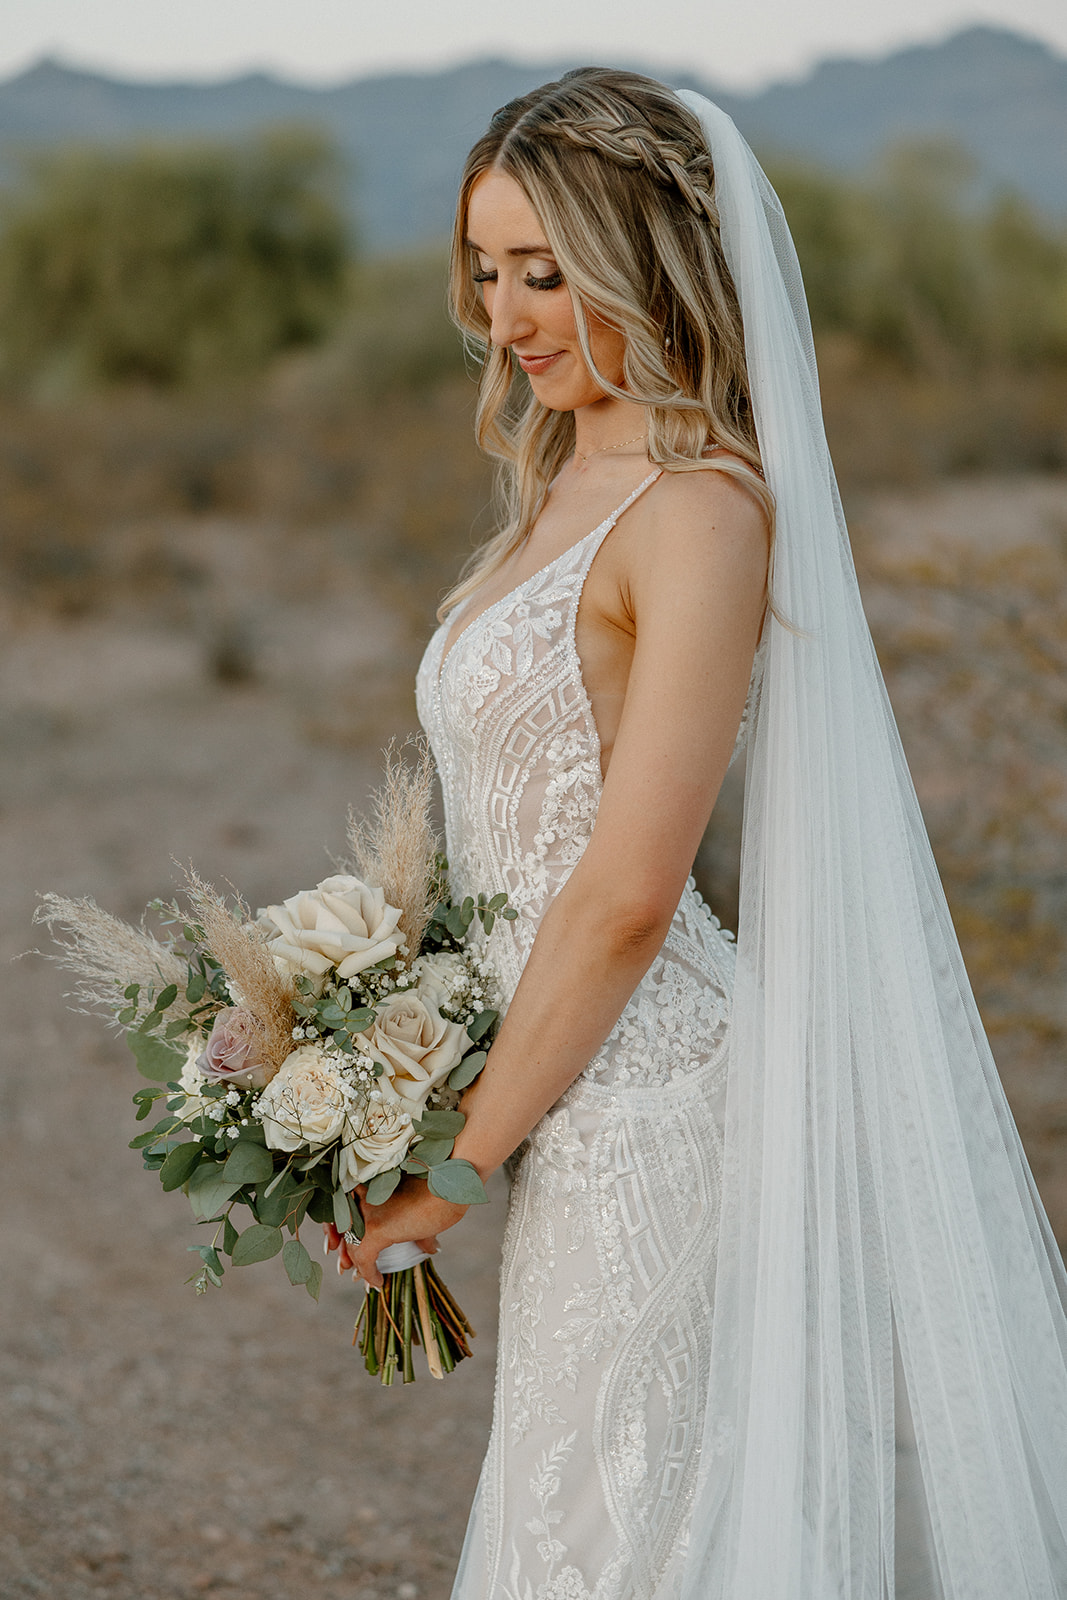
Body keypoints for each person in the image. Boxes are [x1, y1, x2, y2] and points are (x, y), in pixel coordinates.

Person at [331, 70, 1067, 1599]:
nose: (509, 314)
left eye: (548, 270)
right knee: (583, 1507)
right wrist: (377, 1051)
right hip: (551, 1077)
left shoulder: (700, 509)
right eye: (486, 270)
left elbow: (626, 895)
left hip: (649, 1108)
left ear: (647, 259)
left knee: (606, 1533)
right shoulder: (561, 478)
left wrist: (454, 1172)